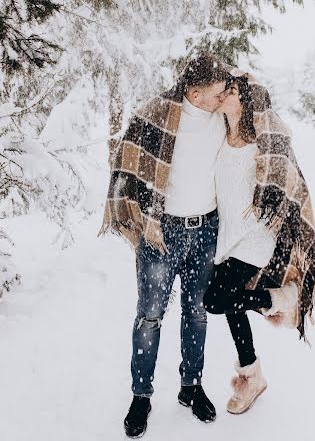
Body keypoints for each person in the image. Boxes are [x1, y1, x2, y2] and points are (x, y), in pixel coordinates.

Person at [99, 54, 229, 438]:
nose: (224, 97)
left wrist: (238, 78)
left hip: (206, 229)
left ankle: (191, 386)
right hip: (162, 233)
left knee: (197, 312)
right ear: (194, 92)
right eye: (217, 92)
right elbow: (125, 165)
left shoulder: (223, 117)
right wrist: (137, 220)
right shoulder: (154, 115)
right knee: (150, 315)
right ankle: (142, 394)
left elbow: (253, 98)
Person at [204, 73, 315, 415]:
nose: (225, 94)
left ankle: (283, 299)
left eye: (233, 90)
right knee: (231, 307)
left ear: (246, 100)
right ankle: (252, 377)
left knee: (215, 300)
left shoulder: (265, 143)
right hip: (227, 237)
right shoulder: (220, 135)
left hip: (254, 240)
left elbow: (286, 179)